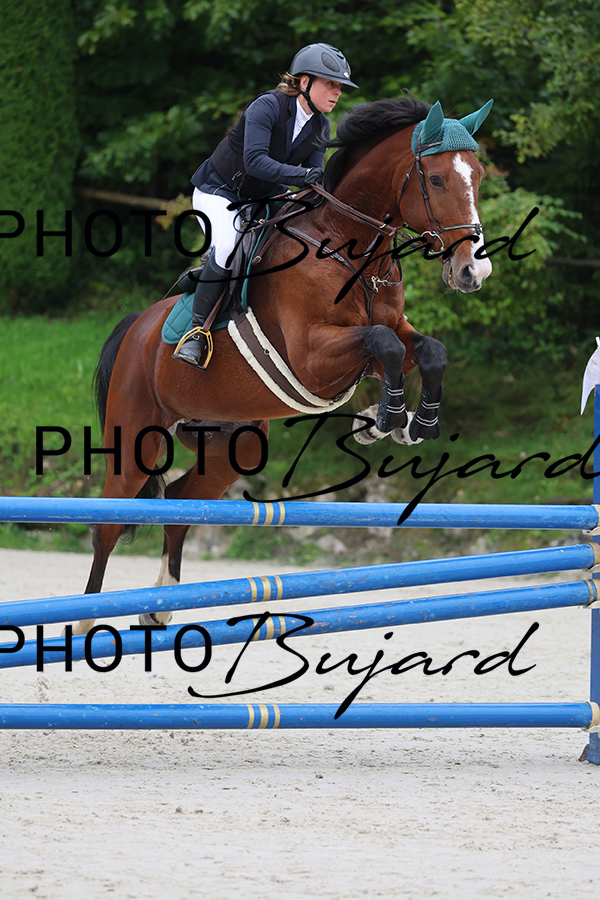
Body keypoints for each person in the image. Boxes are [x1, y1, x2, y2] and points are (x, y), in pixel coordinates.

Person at [174, 43, 359, 367]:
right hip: (220, 192)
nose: (337, 92)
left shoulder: (320, 126)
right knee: (227, 247)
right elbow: (256, 162)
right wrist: (304, 175)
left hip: (263, 198)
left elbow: (310, 178)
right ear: (304, 82)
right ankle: (196, 332)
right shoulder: (267, 107)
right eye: (330, 84)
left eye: (340, 87)